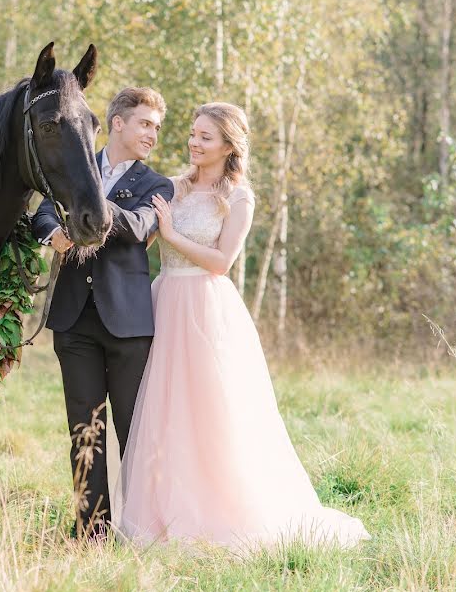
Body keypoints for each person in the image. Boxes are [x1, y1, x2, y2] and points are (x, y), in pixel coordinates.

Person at [117, 102, 370, 553]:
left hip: (204, 309)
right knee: (162, 413)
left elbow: (222, 262)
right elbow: (137, 237)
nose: (194, 142)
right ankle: (158, 511)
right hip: (163, 302)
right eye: (192, 134)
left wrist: (173, 237)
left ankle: (218, 510)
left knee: (211, 415)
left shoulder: (238, 197)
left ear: (228, 145)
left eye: (205, 137)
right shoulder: (170, 187)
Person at [32, 87, 175, 539]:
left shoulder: (158, 185)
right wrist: (53, 231)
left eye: (156, 126)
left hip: (128, 325)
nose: (153, 134)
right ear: (117, 123)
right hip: (73, 320)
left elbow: (136, 228)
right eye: (145, 123)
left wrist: (88, 198)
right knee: (85, 429)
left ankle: (141, 527)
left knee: (135, 430)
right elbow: (40, 213)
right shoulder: (76, 166)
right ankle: (91, 531)